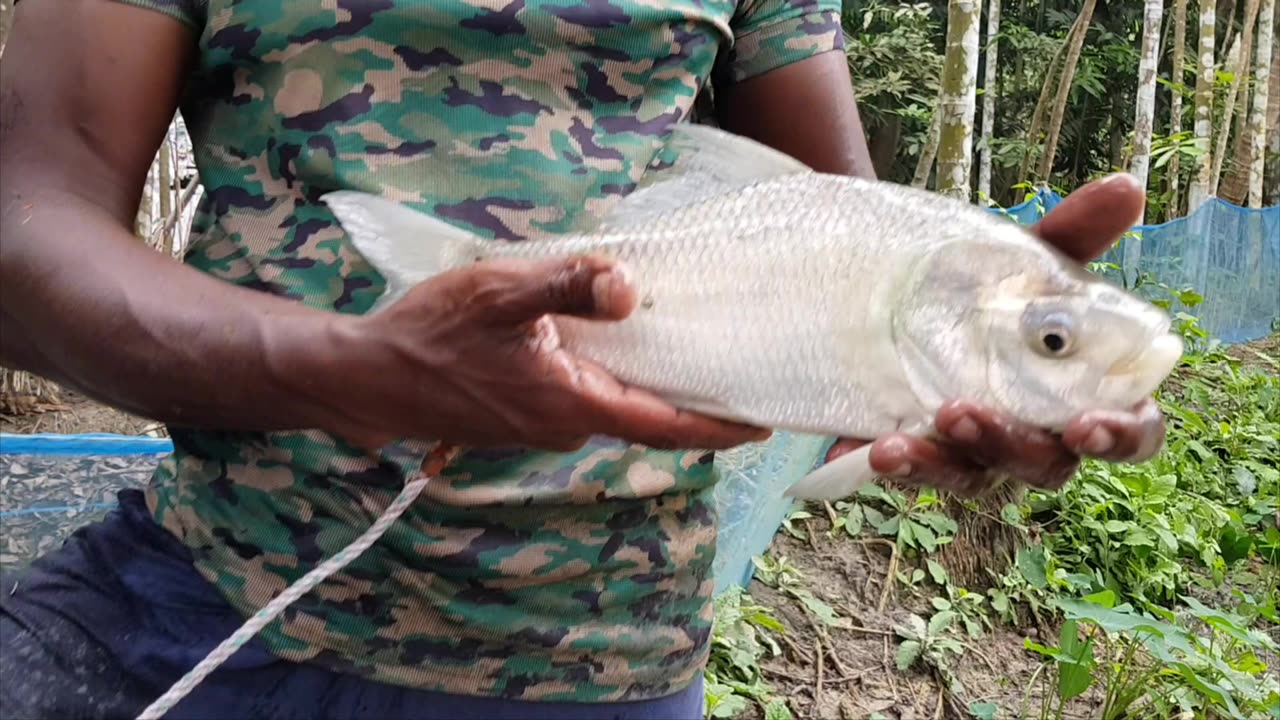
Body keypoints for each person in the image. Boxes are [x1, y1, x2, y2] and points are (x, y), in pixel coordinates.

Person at [0, 0, 1167, 718]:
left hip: (607, 658)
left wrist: (961, 378)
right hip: (205, 596)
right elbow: (27, 214)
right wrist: (345, 366)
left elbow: (835, 221)